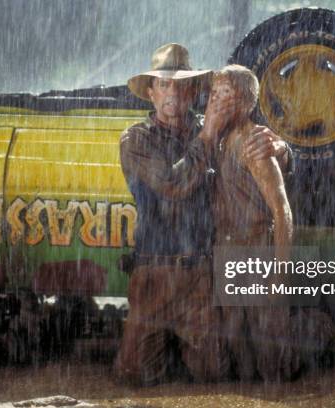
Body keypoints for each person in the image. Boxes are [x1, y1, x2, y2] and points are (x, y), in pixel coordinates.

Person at [115, 44, 290, 385]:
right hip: (154, 275)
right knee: (132, 377)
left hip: (200, 276)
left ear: (194, 91)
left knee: (215, 375)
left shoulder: (218, 126)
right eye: (164, 85)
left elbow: (255, 142)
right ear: (150, 93)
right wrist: (208, 133)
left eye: (182, 86)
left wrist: (282, 148)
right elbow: (173, 183)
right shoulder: (136, 139)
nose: (173, 94)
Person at [209, 64, 335, 381]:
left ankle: (320, 329)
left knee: (274, 361)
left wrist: (280, 272)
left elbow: (282, 210)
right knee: (238, 353)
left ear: (245, 103)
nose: (217, 101)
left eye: (226, 94)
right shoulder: (214, 139)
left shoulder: (255, 145)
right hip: (227, 251)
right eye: (214, 94)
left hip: (258, 249)